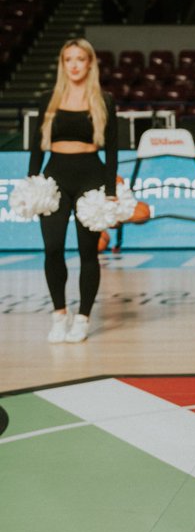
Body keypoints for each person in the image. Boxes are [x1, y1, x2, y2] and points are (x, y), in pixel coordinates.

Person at [28, 38, 117, 343]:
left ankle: (83, 317)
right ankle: (59, 315)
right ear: (62, 64)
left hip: (90, 176)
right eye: (69, 59)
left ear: (90, 63)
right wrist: (32, 182)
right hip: (54, 179)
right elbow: (36, 149)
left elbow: (114, 150)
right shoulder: (48, 99)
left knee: (87, 251)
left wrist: (109, 189)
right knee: (52, 248)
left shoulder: (104, 100)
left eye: (80, 58)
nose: (75, 64)